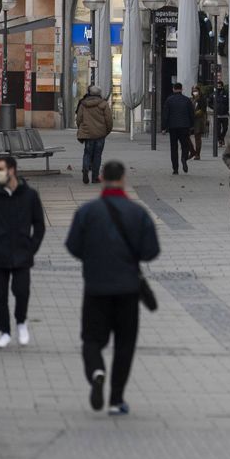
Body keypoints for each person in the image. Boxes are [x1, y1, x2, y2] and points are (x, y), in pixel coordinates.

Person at [65, 160, 160, 416]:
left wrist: (93, 256)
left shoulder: (87, 212)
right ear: (123, 179)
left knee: (91, 339)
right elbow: (151, 251)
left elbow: (73, 246)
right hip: (128, 290)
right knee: (124, 344)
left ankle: (96, 372)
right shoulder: (137, 213)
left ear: (101, 178)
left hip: (96, 288)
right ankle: (117, 398)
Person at [0, 155, 46, 349]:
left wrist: (32, 247)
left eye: (1, 169)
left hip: (23, 253)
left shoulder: (30, 195)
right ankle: (4, 331)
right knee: (0, 296)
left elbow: (39, 225)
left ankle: (21, 322)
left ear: (12, 170)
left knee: (22, 291)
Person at [75, 84, 114, 184]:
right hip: (100, 134)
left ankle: (85, 169)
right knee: (97, 155)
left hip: (88, 133)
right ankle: (95, 177)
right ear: (99, 93)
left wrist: (81, 128)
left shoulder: (83, 104)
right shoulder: (104, 104)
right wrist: (107, 131)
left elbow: (79, 119)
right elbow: (109, 120)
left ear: (89, 93)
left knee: (87, 153)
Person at [161, 82, 194, 175]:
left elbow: (165, 115)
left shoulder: (169, 100)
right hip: (184, 126)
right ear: (182, 89)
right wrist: (192, 125)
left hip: (173, 127)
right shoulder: (187, 100)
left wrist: (164, 127)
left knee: (174, 147)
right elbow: (191, 114)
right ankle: (184, 158)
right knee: (185, 145)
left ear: (173, 89)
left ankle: (175, 169)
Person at [190, 85, 207, 160]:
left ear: (199, 91)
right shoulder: (191, 99)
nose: (195, 92)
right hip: (191, 120)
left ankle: (197, 154)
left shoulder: (202, 99)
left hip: (198, 120)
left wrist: (194, 114)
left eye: (196, 90)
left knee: (197, 137)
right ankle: (192, 150)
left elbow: (203, 110)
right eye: (193, 91)